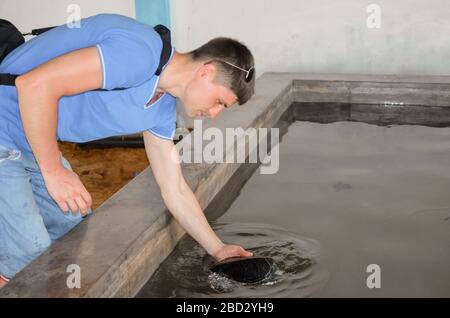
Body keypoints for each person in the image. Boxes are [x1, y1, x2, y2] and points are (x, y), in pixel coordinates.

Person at [0, 13, 255, 288]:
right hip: (5, 131)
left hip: (26, 140)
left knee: (72, 229)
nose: (215, 114)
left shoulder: (162, 109)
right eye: (219, 101)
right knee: (28, 258)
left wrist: (217, 249)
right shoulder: (139, 52)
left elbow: (175, 189)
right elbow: (35, 85)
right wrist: (54, 171)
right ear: (207, 72)